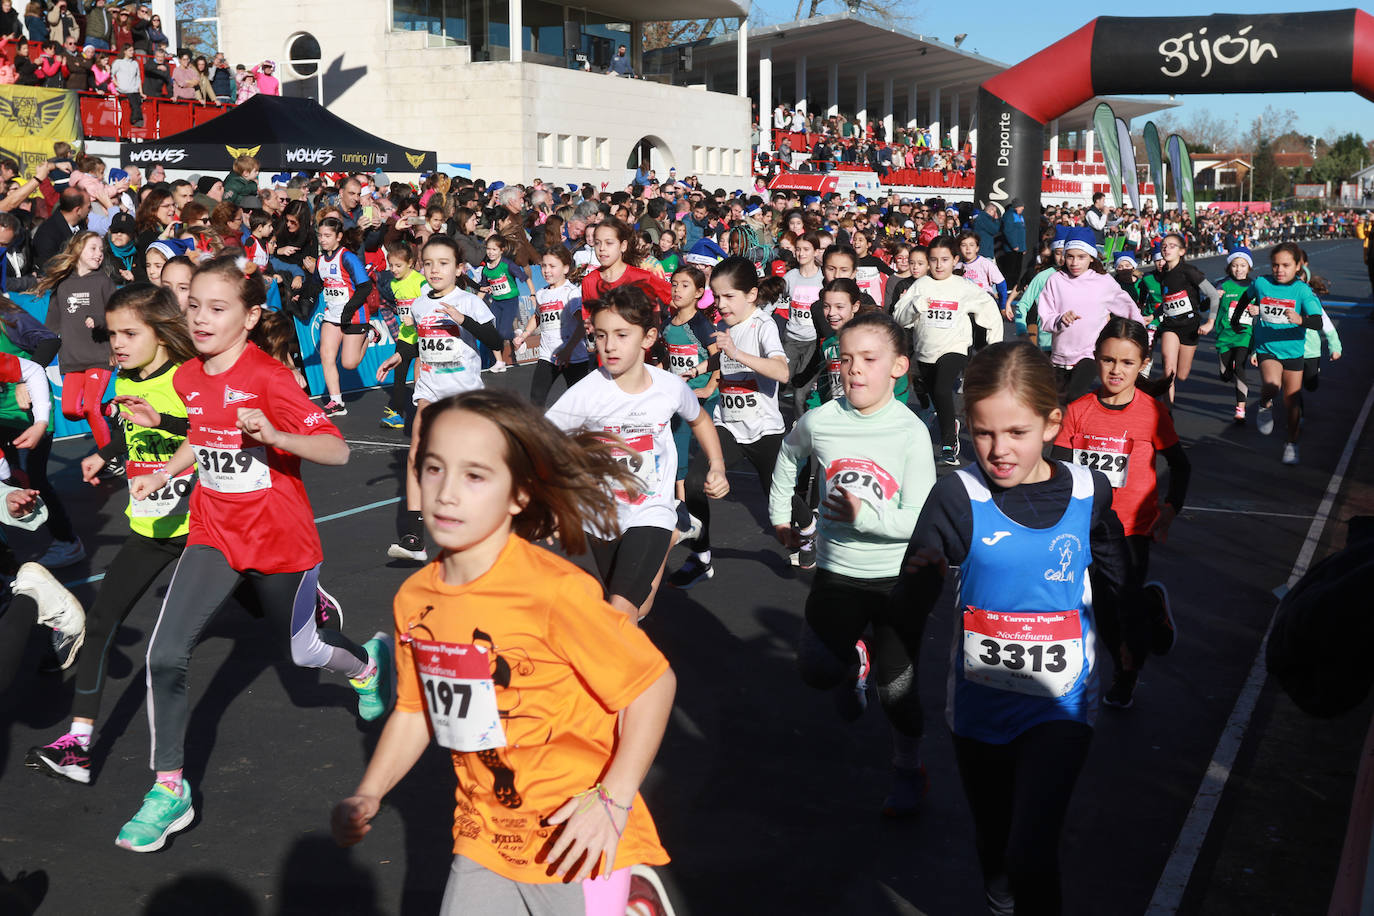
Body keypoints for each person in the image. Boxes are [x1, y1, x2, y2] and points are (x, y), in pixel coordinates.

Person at [332, 389, 677, 915]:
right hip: (485, 832)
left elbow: (652, 685)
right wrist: (370, 792)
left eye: (474, 476)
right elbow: (415, 708)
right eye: (433, 468)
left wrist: (614, 798)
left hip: (576, 833)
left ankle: (630, 898)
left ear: (518, 495)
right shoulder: (415, 597)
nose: (446, 493)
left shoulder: (553, 591)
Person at [115, 256, 393, 853]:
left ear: (250, 316)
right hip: (213, 532)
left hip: (280, 541)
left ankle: (366, 665)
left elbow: (337, 452)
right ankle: (169, 789)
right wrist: (162, 472)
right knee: (165, 655)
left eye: (218, 309)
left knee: (305, 651)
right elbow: (202, 433)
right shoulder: (189, 376)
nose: (201, 318)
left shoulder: (270, 378)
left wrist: (277, 436)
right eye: (193, 307)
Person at [891, 339, 1128, 915]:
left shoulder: (1086, 490)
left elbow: (1115, 570)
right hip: (979, 709)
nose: (998, 450)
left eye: (1016, 433)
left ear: (1051, 424)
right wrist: (911, 591)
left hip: (1062, 706)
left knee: (1031, 849)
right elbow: (911, 600)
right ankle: (1000, 899)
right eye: (983, 433)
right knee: (995, 844)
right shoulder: (958, 495)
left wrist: (1133, 636)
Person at [26, 284, 197, 783]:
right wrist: (108, 452)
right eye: (112, 333)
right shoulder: (126, 376)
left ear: (162, 333)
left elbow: (210, 430)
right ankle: (78, 745)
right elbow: (128, 423)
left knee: (278, 619)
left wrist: (161, 425)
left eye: (129, 333)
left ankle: (343, 647)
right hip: (152, 528)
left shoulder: (188, 378)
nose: (116, 343)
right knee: (101, 623)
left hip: (207, 529)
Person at [771, 309, 935, 814]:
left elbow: (921, 519)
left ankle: (908, 770)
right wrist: (780, 514)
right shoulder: (821, 421)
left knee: (897, 691)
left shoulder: (910, 433)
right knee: (816, 671)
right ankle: (849, 666)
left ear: (898, 367)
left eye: (869, 359)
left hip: (899, 579)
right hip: (838, 571)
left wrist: (866, 515)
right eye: (846, 359)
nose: (855, 369)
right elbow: (788, 456)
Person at [547, 284, 728, 620]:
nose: (609, 345)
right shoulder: (585, 394)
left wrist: (717, 465)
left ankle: (667, 527)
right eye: (601, 335)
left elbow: (701, 419)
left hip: (651, 509)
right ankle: (677, 531)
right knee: (639, 609)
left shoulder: (669, 387)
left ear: (648, 338)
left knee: (620, 614)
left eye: (621, 334)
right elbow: (541, 443)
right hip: (601, 515)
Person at [1053, 318, 1189, 709]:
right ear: (1096, 359)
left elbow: (1181, 466)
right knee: (1103, 611)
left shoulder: (1151, 413)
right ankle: (1150, 608)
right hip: (1086, 527)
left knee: (1123, 610)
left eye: (1127, 363)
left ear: (1143, 364)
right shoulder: (1078, 411)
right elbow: (1061, 471)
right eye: (1108, 360)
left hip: (1132, 529)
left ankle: (1127, 674)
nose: (1116, 370)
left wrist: (1170, 509)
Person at [670, 257, 812, 588]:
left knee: (780, 497)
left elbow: (782, 372)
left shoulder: (763, 326)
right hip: (727, 424)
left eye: (728, 297)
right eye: (717, 298)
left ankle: (808, 529)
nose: (720, 305)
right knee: (695, 482)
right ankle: (702, 558)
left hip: (763, 430)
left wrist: (737, 353)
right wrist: (700, 369)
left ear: (751, 294)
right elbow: (721, 358)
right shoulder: (726, 328)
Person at [379, 236, 502, 563]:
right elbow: (419, 342)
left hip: (463, 394)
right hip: (430, 390)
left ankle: (486, 524)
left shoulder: (469, 302)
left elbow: (495, 339)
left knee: (466, 463)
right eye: (429, 263)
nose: (435, 270)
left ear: (459, 268)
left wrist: (464, 322)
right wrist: (399, 356)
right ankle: (413, 537)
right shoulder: (419, 304)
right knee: (416, 455)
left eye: (443, 264)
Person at [893, 236, 1004, 465]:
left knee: (943, 389)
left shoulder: (964, 287)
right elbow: (899, 317)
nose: (938, 265)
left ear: (955, 260)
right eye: (933, 260)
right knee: (935, 392)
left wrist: (995, 347)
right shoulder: (921, 285)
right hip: (925, 352)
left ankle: (948, 443)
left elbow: (989, 311)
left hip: (955, 348)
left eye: (944, 259)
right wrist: (914, 307)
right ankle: (949, 421)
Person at [1231, 242, 1325, 465]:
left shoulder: (1302, 290)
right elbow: (1246, 296)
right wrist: (1236, 320)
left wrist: (1301, 319)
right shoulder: (1262, 283)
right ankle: (1265, 404)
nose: (1279, 270)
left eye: (1285, 265)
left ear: (1297, 266)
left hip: (1293, 351)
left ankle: (1291, 443)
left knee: (1292, 401)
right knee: (1272, 385)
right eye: (1275, 265)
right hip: (1268, 348)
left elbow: (1318, 321)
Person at [1034, 227, 1143, 404]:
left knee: (1073, 396)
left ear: (1091, 257)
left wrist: (1142, 336)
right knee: (1056, 404)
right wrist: (1060, 319)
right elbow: (1045, 318)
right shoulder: (1056, 280)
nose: (1074, 262)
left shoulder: (1103, 282)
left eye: (1081, 257)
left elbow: (1128, 307)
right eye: (1070, 256)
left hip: (1090, 353)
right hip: (1060, 355)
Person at [38, 231, 116, 453]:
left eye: (101, 250)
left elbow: (117, 314)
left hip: (99, 356)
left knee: (91, 408)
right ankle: (110, 411)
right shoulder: (62, 285)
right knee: (71, 410)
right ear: (78, 250)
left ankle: (108, 456)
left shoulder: (103, 281)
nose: (98, 254)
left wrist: (100, 320)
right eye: (93, 248)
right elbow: (50, 327)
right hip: (72, 358)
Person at [313, 216, 373, 416]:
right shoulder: (321, 260)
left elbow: (365, 287)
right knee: (326, 356)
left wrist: (348, 309)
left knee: (349, 363)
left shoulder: (348, 257)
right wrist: (300, 294)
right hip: (331, 316)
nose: (323, 239)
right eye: (320, 235)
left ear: (339, 237)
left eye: (327, 236)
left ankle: (371, 335)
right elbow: (316, 284)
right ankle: (336, 402)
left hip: (354, 315)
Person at [515, 245, 589, 407]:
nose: (546, 270)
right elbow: (538, 316)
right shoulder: (541, 293)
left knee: (580, 402)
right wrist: (524, 335)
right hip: (548, 356)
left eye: (552, 266)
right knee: (536, 398)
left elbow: (582, 324)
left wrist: (568, 349)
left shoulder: (571, 292)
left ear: (565, 268)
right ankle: (537, 431)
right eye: (543, 266)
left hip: (574, 357)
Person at [1155, 232, 1221, 407]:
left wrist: (1210, 322)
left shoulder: (1189, 272)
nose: (1166, 248)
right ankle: (1166, 413)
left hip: (1190, 327)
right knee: (1169, 369)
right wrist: (1153, 316)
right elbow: (1168, 302)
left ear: (1182, 251)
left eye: (1171, 246)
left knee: (1182, 375)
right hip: (1170, 326)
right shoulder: (1162, 274)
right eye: (1163, 246)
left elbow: (1214, 295)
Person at [781, 231, 824, 413]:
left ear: (815, 251)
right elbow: (773, 300)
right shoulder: (790, 277)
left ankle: (801, 425)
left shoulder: (823, 279)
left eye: (806, 249)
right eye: (798, 249)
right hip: (792, 339)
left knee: (801, 393)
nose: (801, 254)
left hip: (812, 342)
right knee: (783, 379)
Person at [1213, 248, 1256, 423]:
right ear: (1229, 267)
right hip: (1224, 334)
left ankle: (1241, 409)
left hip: (1245, 334)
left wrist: (1258, 309)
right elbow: (1204, 305)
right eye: (1235, 266)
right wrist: (1213, 297)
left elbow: (1262, 308)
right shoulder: (1222, 285)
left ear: (1249, 267)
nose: (1239, 269)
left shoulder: (1255, 286)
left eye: (1242, 265)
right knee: (1225, 374)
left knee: (1239, 365)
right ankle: (1227, 372)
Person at [477, 234, 524, 372]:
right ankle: (499, 362)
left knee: (503, 333)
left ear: (501, 250)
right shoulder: (486, 269)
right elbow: (483, 288)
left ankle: (517, 335)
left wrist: (532, 293)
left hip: (509, 301)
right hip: (496, 302)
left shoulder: (506, 265)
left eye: (494, 249)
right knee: (494, 334)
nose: (490, 252)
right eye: (488, 249)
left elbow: (522, 275)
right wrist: (474, 302)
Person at [111, 43, 143, 128]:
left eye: (133, 50)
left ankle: (131, 128)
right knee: (126, 112)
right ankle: (125, 131)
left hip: (134, 91)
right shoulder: (118, 62)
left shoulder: (135, 63)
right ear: (125, 51)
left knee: (136, 109)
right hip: (123, 91)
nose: (132, 52)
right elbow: (110, 75)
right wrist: (118, 85)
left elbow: (138, 78)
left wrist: (141, 92)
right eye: (130, 50)